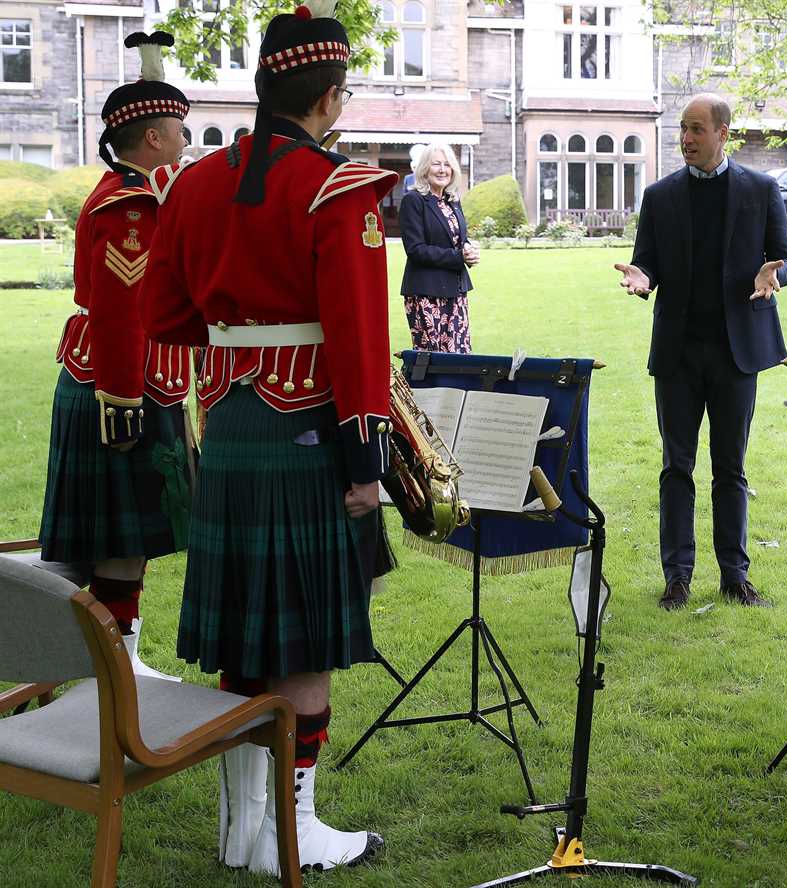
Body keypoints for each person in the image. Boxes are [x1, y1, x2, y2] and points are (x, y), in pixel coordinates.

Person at [141, 0, 393, 874]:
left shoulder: (195, 182)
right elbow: (359, 337)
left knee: (248, 630)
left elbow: (165, 312)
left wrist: (231, 334)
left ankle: (244, 828)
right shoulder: (338, 186)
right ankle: (293, 830)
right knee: (305, 641)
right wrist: (369, 463)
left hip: (231, 424)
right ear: (327, 97)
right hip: (310, 427)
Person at [38, 31, 192, 683]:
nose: (187, 142)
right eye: (180, 131)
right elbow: (123, 308)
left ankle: (114, 661)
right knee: (123, 545)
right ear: (153, 138)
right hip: (121, 386)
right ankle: (118, 669)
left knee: (122, 541)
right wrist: (125, 400)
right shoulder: (132, 206)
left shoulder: (126, 192)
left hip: (111, 379)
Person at [613, 93, 787, 611]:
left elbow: (786, 257)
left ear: (723, 133)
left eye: (696, 129)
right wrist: (642, 277)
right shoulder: (660, 195)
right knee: (677, 467)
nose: (686, 138)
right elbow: (646, 262)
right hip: (678, 353)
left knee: (730, 468)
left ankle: (735, 576)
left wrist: (774, 272)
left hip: (736, 354)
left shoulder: (760, 190)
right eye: (682, 129)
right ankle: (677, 577)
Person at [400, 141, 479, 352]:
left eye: (447, 164)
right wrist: (458, 256)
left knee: (460, 357)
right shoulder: (413, 200)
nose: (443, 170)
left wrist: (468, 249)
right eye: (436, 164)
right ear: (425, 168)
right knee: (433, 360)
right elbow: (415, 250)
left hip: (456, 290)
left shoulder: (452, 200)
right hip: (427, 293)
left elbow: (457, 238)